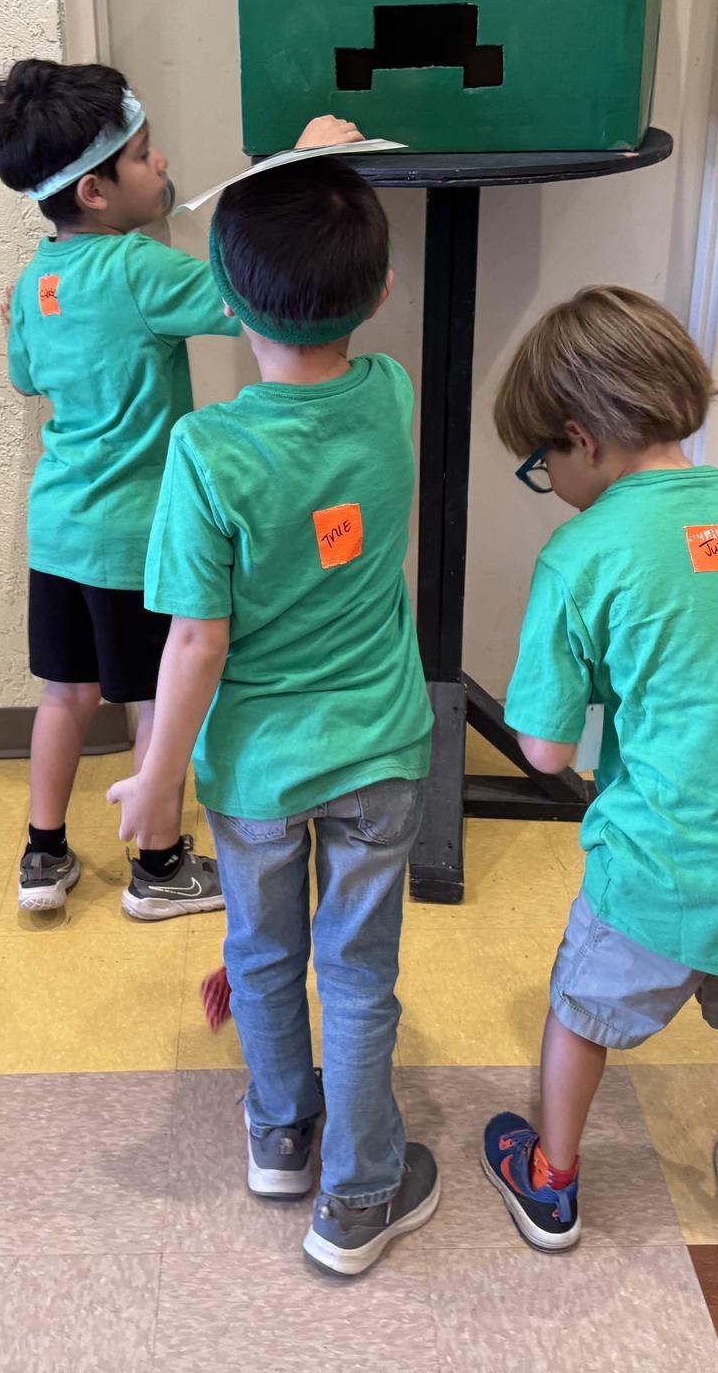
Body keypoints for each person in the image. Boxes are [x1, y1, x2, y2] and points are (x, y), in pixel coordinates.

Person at [477, 287, 718, 1272]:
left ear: (581, 440)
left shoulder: (581, 551)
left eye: (540, 465)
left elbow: (544, 753)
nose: (548, 483)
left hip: (664, 858)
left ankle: (552, 1177)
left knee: (579, 1012)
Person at [107, 156, 439, 1278]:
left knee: (260, 953)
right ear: (383, 287)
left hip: (251, 768)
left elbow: (196, 640)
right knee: (356, 972)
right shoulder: (390, 393)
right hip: (380, 753)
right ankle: (358, 1193)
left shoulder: (205, 454)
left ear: (223, 299)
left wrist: (155, 777)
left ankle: (278, 1136)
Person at [0, 58, 354, 919]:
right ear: (99, 191)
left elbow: (25, 376)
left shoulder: (40, 280)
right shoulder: (137, 272)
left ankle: (44, 856)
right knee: (152, 697)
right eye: (145, 154)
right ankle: (157, 865)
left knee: (65, 696)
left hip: (59, 529)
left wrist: (22, 314)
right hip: (134, 536)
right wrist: (294, 171)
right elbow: (247, 291)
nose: (165, 162)